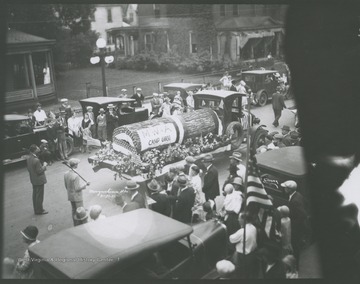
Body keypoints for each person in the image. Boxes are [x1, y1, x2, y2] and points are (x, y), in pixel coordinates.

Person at [281, 180, 310, 262]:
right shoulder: (298, 195)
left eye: (285, 188)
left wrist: (293, 225)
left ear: (289, 189)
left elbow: (302, 215)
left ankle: (295, 263)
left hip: (296, 228)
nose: (284, 189)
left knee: (295, 245)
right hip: (299, 226)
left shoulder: (295, 201)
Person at [229, 212, 259, 278]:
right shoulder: (253, 228)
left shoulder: (242, 231)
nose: (238, 220)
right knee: (248, 274)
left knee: (239, 274)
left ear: (243, 220)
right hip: (251, 255)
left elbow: (231, 239)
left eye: (239, 218)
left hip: (241, 257)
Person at [64, 158, 90, 226]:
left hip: (70, 195)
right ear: (75, 165)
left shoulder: (66, 173)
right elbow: (77, 188)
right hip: (77, 196)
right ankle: (81, 225)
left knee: (73, 210)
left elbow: (66, 186)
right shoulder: (76, 176)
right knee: (80, 211)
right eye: (77, 164)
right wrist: (85, 185)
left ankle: (75, 223)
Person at [26, 145, 48, 215]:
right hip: (39, 180)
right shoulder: (36, 160)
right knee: (39, 196)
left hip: (33, 179)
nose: (39, 148)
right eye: (37, 148)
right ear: (35, 150)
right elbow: (39, 171)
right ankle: (39, 210)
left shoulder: (29, 158)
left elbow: (29, 169)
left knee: (35, 195)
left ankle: (36, 209)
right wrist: (44, 165)